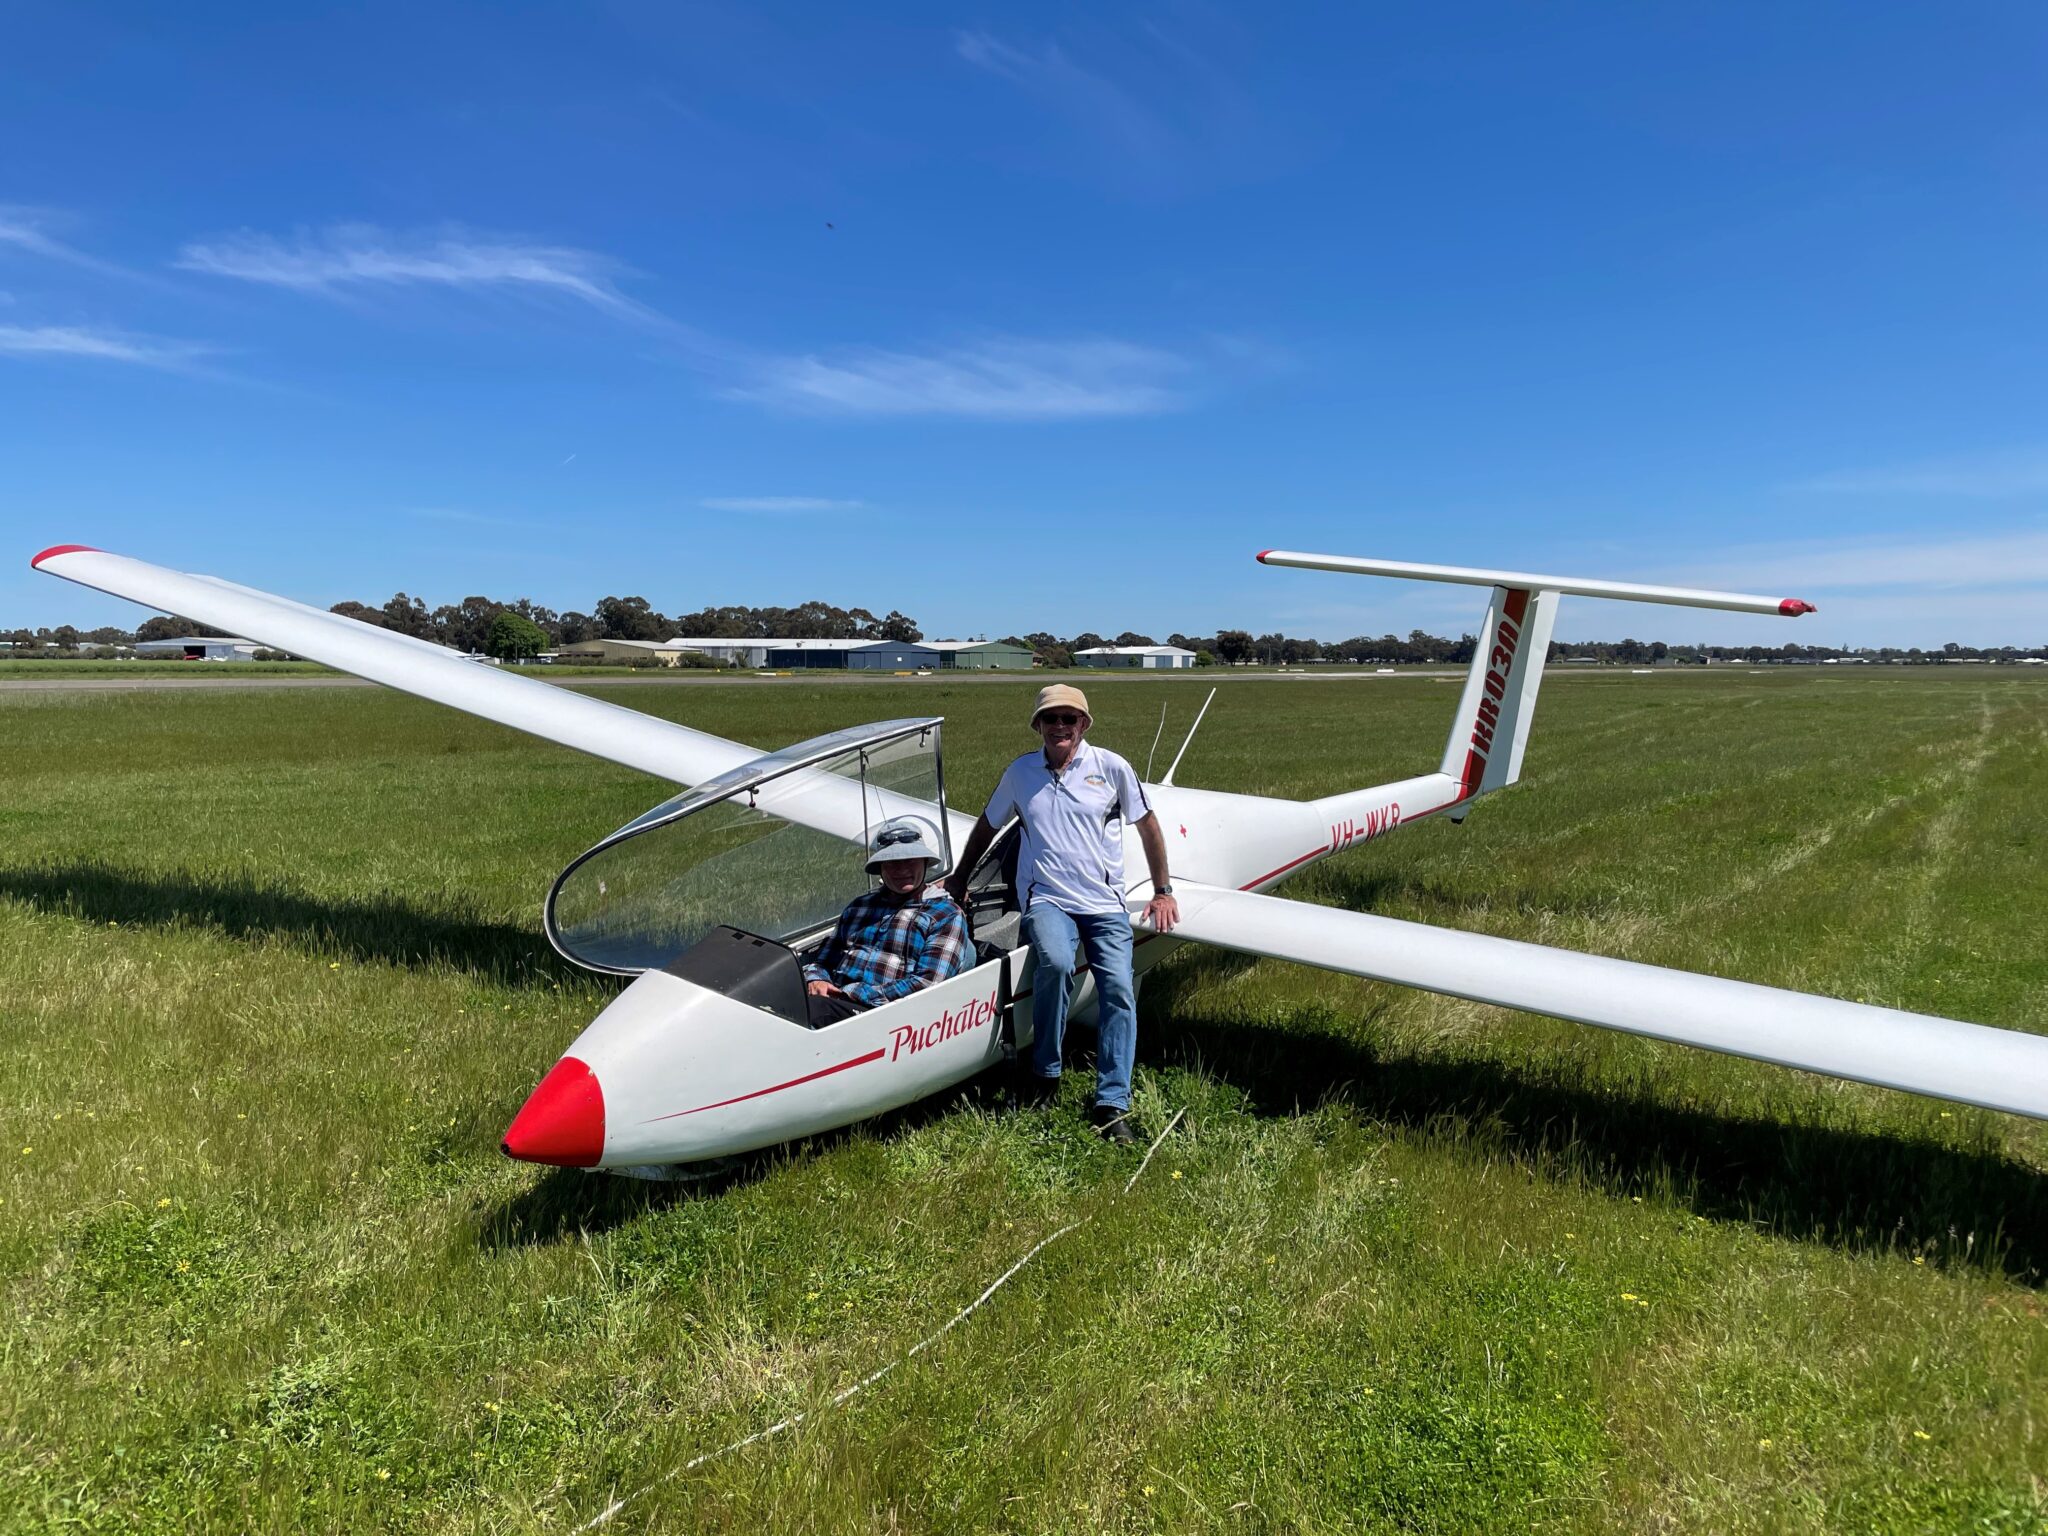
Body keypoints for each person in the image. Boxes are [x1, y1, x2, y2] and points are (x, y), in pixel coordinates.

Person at [945, 684, 1178, 1143]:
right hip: (1047, 899)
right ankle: (1045, 1074)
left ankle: (1113, 1103)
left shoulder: (1112, 768)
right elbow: (988, 826)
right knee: (1052, 961)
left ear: (1084, 725)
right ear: (1038, 726)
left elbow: (1147, 824)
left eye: (1069, 718)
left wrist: (1163, 891)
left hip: (1104, 904)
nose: (1060, 726)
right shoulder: (1021, 772)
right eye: (1050, 719)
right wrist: (958, 880)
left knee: (1118, 988)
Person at [803, 819, 973, 1027]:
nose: (901, 870)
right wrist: (817, 979)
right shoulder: (859, 907)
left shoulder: (946, 914)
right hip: (835, 1002)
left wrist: (852, 993)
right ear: (881, 869)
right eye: (892, 862)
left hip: (887, 1015)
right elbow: (823, 959)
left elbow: (929, 983)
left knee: (811, 1012)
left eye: (910, 860)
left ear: (925, 863)